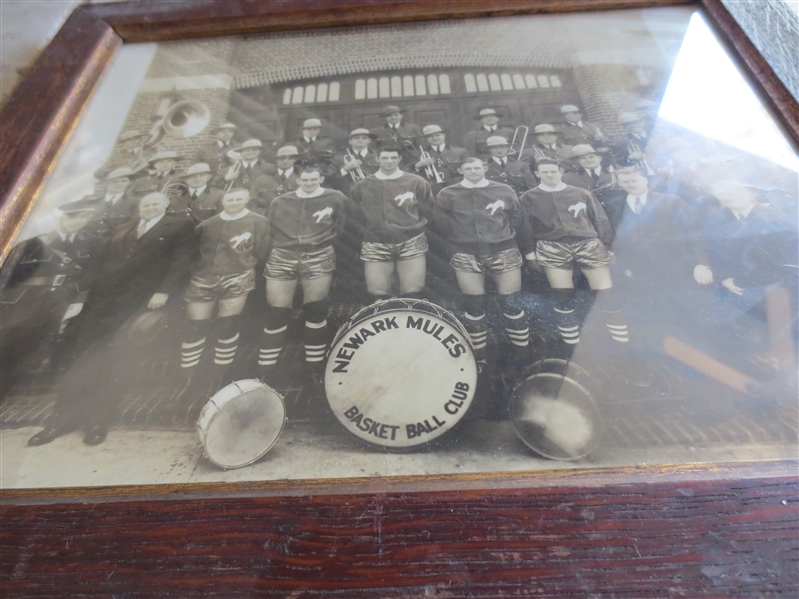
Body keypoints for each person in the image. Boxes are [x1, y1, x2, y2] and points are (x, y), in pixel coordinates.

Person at [27, 192, 196, 446]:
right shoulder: (123, 228)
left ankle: (97, 422)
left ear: (165, 206)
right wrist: (77, 296)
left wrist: (164, 291)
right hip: (100, 303)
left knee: (114, 365)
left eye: (155, 204)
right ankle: (59, 422)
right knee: (79, 362)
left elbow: (181, 261)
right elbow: (98, 265)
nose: (149, 207)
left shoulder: (179, 226)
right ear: (140, 206)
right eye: (145, 203)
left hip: (136, 304)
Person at [520, 159, 628, 347]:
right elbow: (525, 227)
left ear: (561, 171)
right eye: (544, 172)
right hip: (552, 245)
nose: (549, 175)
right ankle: (571, 342)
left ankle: (620, 339)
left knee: (605, 292)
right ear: (537, 174)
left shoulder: (580, 193)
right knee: (562, 293)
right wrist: (530, 253)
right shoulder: (529, 197)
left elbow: (600, 220)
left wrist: (608, 246)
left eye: (553, 171)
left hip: (586, 242)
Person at [1, 199, 101, 400]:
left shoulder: (93, 241)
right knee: (14, 341)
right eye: (72, 217)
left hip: (63, 298)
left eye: (83, 218)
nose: (76, 222)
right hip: (28, 299)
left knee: (45, 342)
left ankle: (21, 389)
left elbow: (92, 273)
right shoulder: (36, 241)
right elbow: (10, 272)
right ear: (62, 217)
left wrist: (79, 299)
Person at [435, 157, 533, 361]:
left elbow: (517, 218)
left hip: (503, 249)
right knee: (474, 303)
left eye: (477, 167)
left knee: (511, 301)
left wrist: (502, 235)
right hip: (466, 252)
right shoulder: (447, 193)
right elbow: (441, 223)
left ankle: (522, 353)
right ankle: (478, 356)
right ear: (461, 170)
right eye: (468, 168)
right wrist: (461, 239)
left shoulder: (504, 190)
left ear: (485, 168)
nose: (473, 171)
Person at [257, 167, 347, 378]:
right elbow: (271, 228)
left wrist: (322, 244)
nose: (309, 183)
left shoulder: (336, 197)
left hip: (318, 253)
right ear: (297, 180)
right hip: (283, 254)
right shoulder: (281, 201)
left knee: (315, 309)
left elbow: (341, 226)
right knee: (277, 312)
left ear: (321, 178)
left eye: (313, 179)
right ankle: (265, 370)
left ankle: (315, 369)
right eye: (305, 179)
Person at [611, 167, 713, 338]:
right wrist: (625, 266)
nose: (631, 185)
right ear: (619, 183)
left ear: (645, 180)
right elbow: (617, 239)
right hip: (641, 272)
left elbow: (695, 233)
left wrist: (702, 263)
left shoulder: (671, 201)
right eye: (625, 182)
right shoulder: (615, 205)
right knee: (654, 317)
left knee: (689, 315)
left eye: (634, 180)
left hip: (678, 268)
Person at [179, 188, 270, 378]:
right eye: (230, 199)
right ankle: (188, 375)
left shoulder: (258, 221)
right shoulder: (207, 224)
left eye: (239, 199)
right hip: (204, 277)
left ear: (246, 200)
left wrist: (245, 267)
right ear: (223, 201)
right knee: (196, 326)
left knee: (228, 324)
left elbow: (261, 251)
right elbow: (194, 252)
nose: (234, 202)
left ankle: (221, 372)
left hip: (238, 276)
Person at [349, 146, 435, 300]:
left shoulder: (416, 181)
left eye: (393, 157)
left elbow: (427, 209)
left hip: (410, 240)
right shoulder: (362, 184)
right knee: (377, 294)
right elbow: (355, 214)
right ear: (377, 159)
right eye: (385, 158)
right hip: (376, 241)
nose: (389, 161)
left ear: (399, 159)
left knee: (413, 293)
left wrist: (409, 226)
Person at [562, 144, 625, 233]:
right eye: (583, 158)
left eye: (591, 157)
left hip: (614, 219)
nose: (588, 160)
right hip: (587, 222)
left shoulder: (615, 174)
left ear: (599, 158)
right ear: (577, 161)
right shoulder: (568, 178)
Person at [410, 125, 468, 194]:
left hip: (455, 187)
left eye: (437, 135)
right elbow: (409, 173)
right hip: (431, 189)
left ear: (444, 135)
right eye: (430, 136)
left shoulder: (460, 152)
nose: (434, 138)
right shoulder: (418, 154)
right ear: (426, 139)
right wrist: (418, 166)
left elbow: (468, 169)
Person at [84, 166, 139, 238]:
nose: (119, 184)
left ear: (130, 182)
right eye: (115, 181)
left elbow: (133, 227)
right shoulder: (91, 201)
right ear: (106, 183)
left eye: (123, 181)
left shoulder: (135, 202)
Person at [249, 145, 301, 216]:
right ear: (276, 160)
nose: (285, 161)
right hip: (267, 216)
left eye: (290, 158)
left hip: (293, 217)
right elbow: (252, 201)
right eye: (281, 158)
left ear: (295, 159)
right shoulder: (261, 179)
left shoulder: (302, 178)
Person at [329, 128, 380, 196]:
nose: (360, 140)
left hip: (373, 193)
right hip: (348, 195)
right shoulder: (339, 158)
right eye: (356, 138)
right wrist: (345, 169)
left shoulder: (378, 157)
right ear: (350, 141)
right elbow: (329, 177)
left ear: (369, 140)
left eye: (364, 138)